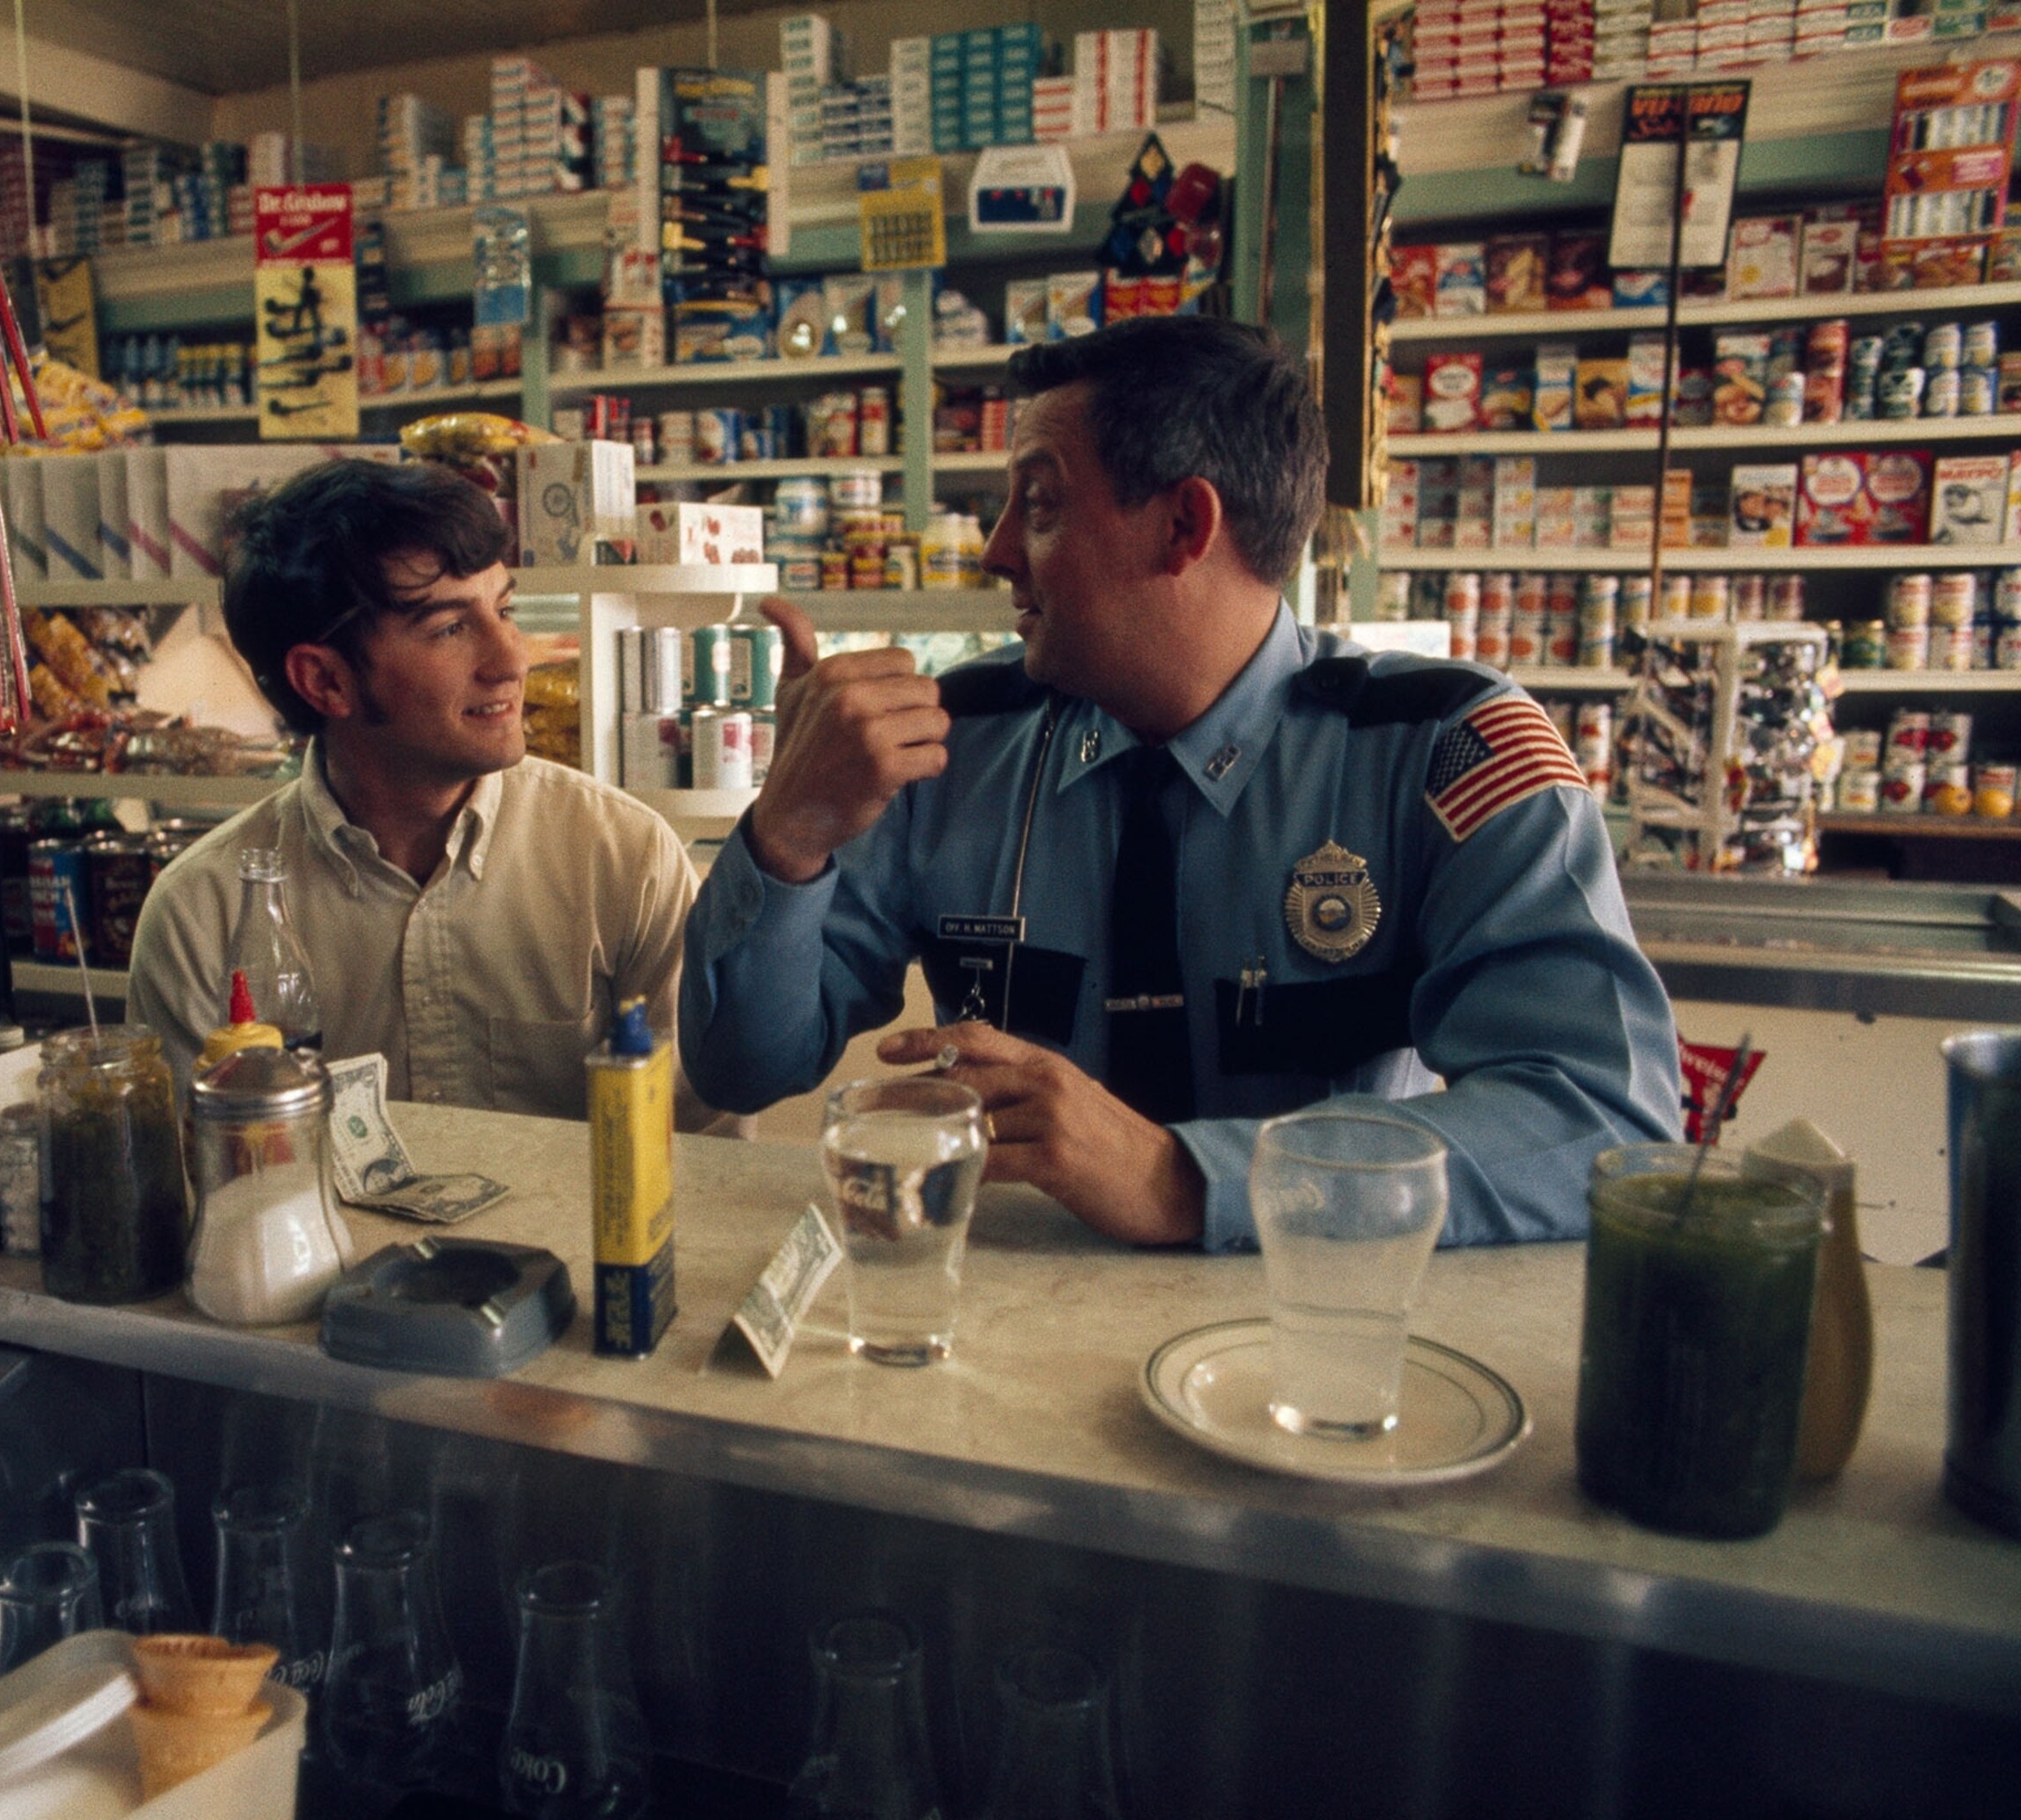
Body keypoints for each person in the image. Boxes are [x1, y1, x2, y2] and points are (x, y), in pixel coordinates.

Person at [679, 316, 1681, 1249]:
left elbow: (1602, 1119)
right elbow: (743, 1069)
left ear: (1182, 528)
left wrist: (1191, 1177)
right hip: (1003, 1330)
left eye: (1039, 504)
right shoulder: (956, 745)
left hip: (1309, 1337)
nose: (995, 553)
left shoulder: (1441, 748)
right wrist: (790, 831)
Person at [129, 457, 728, 1130]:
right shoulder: (200, 918)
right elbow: (207, 1191)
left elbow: (708, 1155)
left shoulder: (624, 858)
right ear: (324, 682)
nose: (513, 659)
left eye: (505, 610)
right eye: (450, 628)